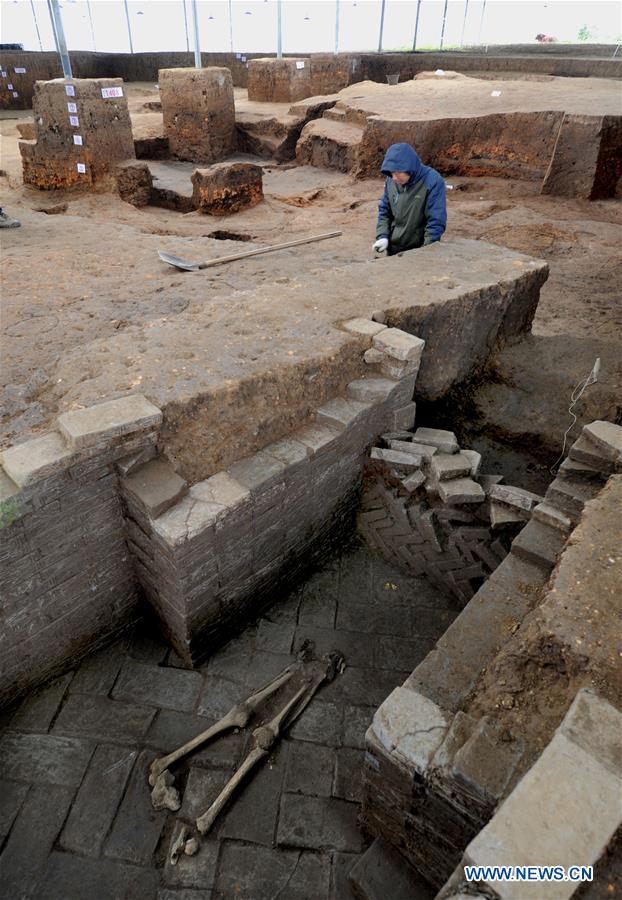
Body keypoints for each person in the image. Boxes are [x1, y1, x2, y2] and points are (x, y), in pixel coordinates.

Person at [372, 143, 446, 257]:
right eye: (391, 173)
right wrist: (383, 236)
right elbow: (384, 211)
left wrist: (426, 252)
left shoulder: (433, 181)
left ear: (409, 167)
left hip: (418, 249)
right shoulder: (391, 181)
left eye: (397, 173)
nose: (394, 178)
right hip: (394, 248)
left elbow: (436, 222)